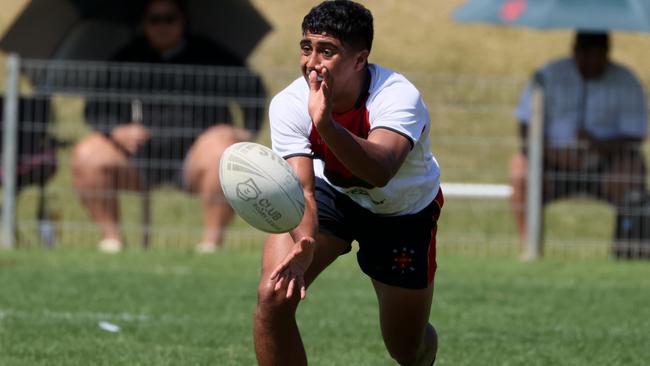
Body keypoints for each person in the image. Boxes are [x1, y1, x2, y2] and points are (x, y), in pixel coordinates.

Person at [254, 1, 443, 365]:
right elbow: (303, 190)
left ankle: (424, 349)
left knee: (407, 349)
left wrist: (326, 125)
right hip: (332, 196)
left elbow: (380, 170)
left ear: (359, 60)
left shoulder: (398, 95)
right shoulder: (290, 103)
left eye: (327, 51)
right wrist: (305, 241)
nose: (312, 62)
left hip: (402, 213)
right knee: (273, 296)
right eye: (306, 47)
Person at [71, 0, 266, 253]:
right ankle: (111, 241)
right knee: (87, 154)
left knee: (224, 153)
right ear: (144, 24)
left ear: (183, 21)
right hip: (140, 156)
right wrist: (116, 131)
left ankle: (210, 245)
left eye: (169, 19)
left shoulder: (210, 54)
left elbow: (253, 88)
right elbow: (95, 106)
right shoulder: (128, 56)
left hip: (196, 155)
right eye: (155, 19)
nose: (162, 26)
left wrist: (245, 130)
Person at [509, 31, 648, 256]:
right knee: (519, 169)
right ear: (575, 51)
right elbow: (525, 125)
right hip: (552, 162)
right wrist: (549, 153)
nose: (591, 63)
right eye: (586, 56)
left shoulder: (626, 81)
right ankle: (529, 250)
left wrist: (598, 146)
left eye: (597, 56)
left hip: (607, 163)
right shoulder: (548, 75)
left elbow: (635, 135)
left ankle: (628, 252)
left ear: (607, 54)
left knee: (632, 171)